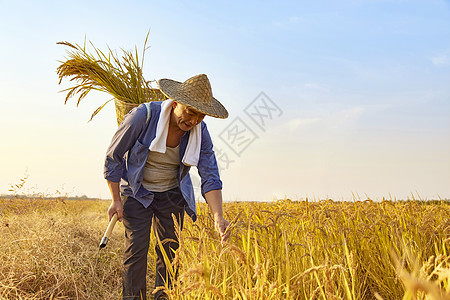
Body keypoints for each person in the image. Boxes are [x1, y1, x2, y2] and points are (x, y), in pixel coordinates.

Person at [104, 74, 230, 300]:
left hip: (172, 195)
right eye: (190, 112)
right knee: (136, 252)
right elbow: (113, 157)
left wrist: (218, 216)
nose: (193, 120)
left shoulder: (200, 133)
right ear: (174, 103)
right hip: (137, 193)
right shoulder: (142, 117)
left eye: (200, 115)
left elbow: (209, 174)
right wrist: (115, 199)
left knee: (170, 254)